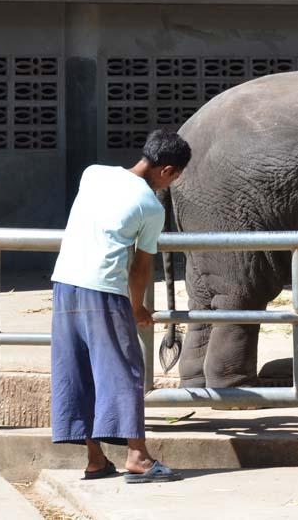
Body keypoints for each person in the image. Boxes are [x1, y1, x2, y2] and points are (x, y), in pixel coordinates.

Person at [50, 130, 191, 483]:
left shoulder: (93, 174)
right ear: (167, 171)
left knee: (79, 370)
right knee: (126, 370)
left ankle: (95, 459)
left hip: (65, 284)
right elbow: (141, 266)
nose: (169, 185)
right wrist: (137, 306)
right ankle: (138, 458)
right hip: (104, 291)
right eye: (174, 178)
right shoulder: (150, 207)